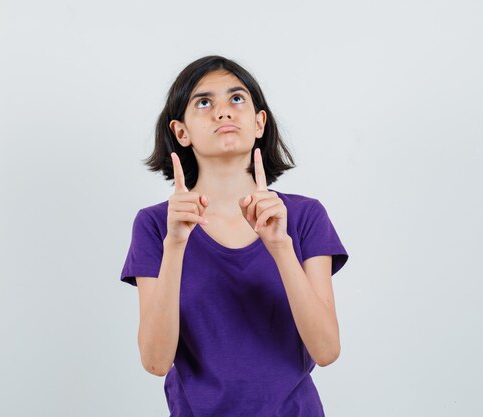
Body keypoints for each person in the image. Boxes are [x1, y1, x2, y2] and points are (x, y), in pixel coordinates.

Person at [120, 55, 349, 417]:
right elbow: (155, 361)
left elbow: (326, 350)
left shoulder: (305, 216)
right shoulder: (154, 225)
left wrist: (281, 247)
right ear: (181, 132)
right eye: (204, 102)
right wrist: (176, 244)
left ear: (259, 122)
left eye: (237, 99)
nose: (223, 112)